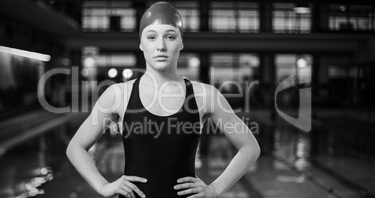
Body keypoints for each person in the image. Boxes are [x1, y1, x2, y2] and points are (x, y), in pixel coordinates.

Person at [66, 2, 260, 198]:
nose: (161, 46)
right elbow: (76, 147)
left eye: (170, 36)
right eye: (151, 37)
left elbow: (250, 147)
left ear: (181, 42)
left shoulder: (205, 95)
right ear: (141, 43)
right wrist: (102, 186)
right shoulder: (118, 95)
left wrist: (214, 189)